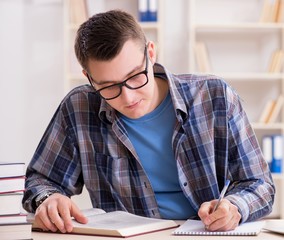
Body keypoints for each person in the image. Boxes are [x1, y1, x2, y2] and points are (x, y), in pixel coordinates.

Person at [22, 9, 275, 234]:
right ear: (88, 78)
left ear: (150, 53)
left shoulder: (215, 96)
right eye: (108, 87)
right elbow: (41, 180)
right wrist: (48, 198)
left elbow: (260, 185)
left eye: (135, 76)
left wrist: (235, 207)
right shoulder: (78, 108)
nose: (128, 96)